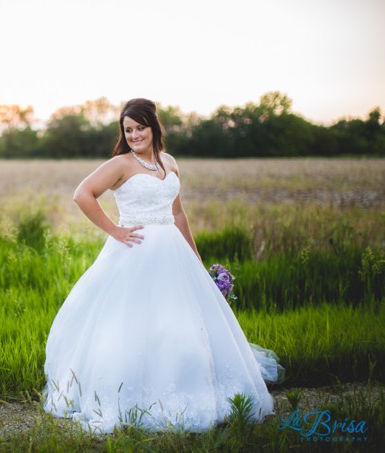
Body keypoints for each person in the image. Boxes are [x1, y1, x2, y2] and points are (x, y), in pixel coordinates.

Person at [41, 98, 283, 433]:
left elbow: (178, 213)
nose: (134, 135)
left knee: (182, 323)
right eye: (128, 130)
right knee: (133, 323)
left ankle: (190, 385)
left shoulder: (169, 162)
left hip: (173, 252)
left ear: (154, 127)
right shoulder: (121, 164)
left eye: (140, 127)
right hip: (135, 251)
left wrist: (196, 258)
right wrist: (116, 230)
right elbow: (82, 194)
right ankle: (129, 393)